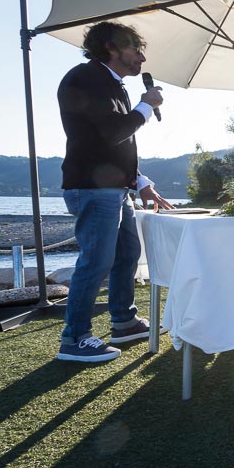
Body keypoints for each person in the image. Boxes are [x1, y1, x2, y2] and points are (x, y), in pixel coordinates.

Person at [55, 21, 173, 362]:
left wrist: (140, 182)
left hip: (115, 189)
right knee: (96, 261)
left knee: (126, 254)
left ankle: (123, 321)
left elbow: (112, 146)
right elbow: (110, 133)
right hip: (92, 189)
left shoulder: (114, 84)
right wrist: (147, 106)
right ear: (111, 47)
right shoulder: (85, 78)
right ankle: (74, 338)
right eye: (135, 48)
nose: (142, 56)